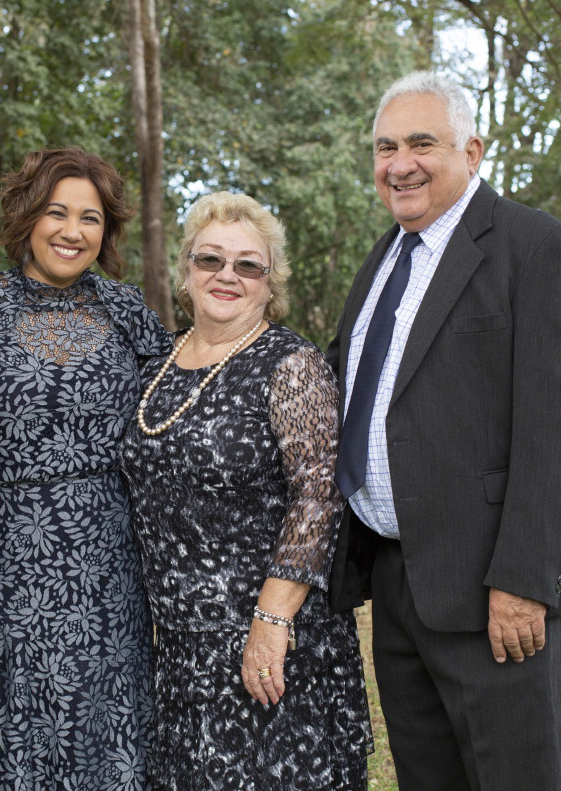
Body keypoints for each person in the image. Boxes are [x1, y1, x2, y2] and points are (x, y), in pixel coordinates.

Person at [326, 71, 561, 791]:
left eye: (423, 142)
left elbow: (558, 431)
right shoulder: (384, 258)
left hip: (492, 591)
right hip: (397, 578)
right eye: (385, 147)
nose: (400, 163)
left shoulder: (538, 248)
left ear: (472, 151)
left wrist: (521, 582)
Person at [0, 146, 172, 790]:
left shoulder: (126, 313)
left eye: (90, 218)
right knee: (12, 725)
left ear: (107, 231)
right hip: (4, 556)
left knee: (101, 733)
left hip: (105, 561)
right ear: (25, 218)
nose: (72, 231)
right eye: (56, 213)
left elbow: (178, 413)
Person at [122, 192, 373, 790]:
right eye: (210, 259)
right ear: (185, 270)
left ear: (269, 283)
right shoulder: (158, 358)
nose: (226, 275)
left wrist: (270, 621)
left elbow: (318, 496)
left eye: (248, 265)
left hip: (269, 641)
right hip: (178, 647)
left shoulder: (291, 365)